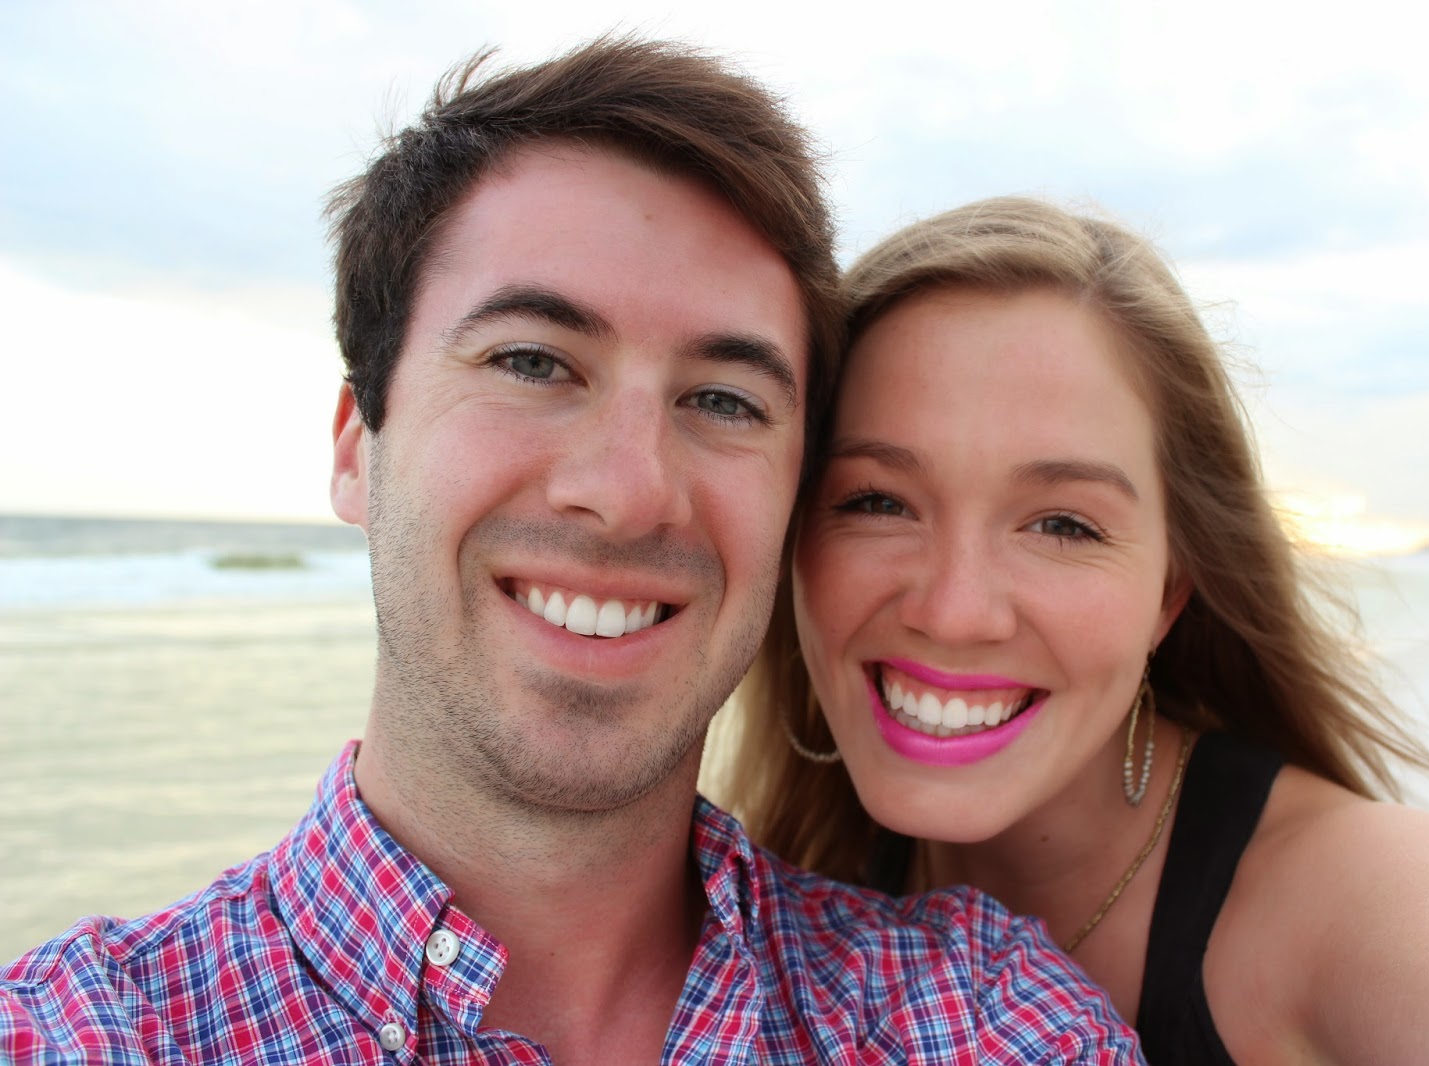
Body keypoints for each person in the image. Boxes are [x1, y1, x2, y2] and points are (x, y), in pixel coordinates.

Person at [0, 47, 1141, 1064]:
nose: (629, 490)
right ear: (357, 447)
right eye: (532, 362)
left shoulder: (991, 1022)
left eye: (723, 400)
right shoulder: (78, 1034)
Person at [725, 195, 1429, 1064]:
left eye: (1063, 525)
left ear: (1171, 590)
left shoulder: (1369, 895)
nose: (953, 611)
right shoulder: (774, 905)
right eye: (877, 502)